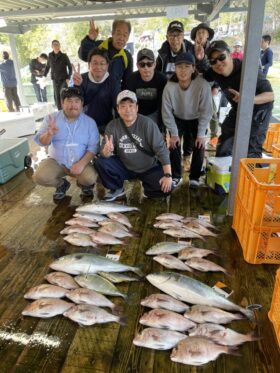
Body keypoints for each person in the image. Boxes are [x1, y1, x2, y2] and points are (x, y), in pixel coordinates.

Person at [195, 40, 274, 158]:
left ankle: (249, 173)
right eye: (213, 61)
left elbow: (270, 95)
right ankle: (223, 172)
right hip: (238, 107)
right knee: (224, 141)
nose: (218, 63)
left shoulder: (247, 70)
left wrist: (247, 99)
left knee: (251, 147)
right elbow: (202, 72)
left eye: (222, 57)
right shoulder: (214, 71)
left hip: (259, 109)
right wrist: (200, 59)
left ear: (230, 54)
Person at [94, 90, 173, 201]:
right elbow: (104, 152)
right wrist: (106, 152)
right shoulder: (112, 126)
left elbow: (162, 150)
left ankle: (148, 188)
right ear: (118, 109)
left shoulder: (147, 124)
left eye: (131, 106)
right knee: (100, 161)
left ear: (137, 108)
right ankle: (117, 189)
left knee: (165, 189)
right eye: (123, 106)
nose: (128, 110)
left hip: (148, 167)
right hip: (124, 166)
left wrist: (168, 176)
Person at [33, 87, 100, 201]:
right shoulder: (51, 118)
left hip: (80, 161)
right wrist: (49, 134)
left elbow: (93, 147)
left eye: (76, 101)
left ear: (82, 104)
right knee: (39, 177)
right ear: (62, 103)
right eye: (69, 101)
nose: (73, 105)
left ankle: (85, 185)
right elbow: (41, 142)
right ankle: (61, 185)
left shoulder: (90, 122)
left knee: (90, 178)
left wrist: (82, 164)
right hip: (57, 161)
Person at [162, 52, 212, 189]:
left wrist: (201, 134)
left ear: (193, 68)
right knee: (173, 145)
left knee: (200, 145)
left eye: (186, 66)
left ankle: (194, 177)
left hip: (197, 118)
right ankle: (176, 176)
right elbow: (166, 112)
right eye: (179, 67)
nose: (183, 70)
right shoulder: (169, 86)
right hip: (177, 117)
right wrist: (173, 133)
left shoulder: (203, 85)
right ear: (175, 68)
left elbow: (206, 111)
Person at [156, 20, 194, 171]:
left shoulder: (191, 51)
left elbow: (202, 69)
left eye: (178, 35)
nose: (175, 39)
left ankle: (187, 157)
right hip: (169, 99)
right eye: (172, 35)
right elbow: (157, 76)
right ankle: (172, 160)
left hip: (188, 98)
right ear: (167, 37)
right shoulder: (161, 54)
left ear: (183, 36)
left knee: (190, 131)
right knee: (171, 130)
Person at [73, 48, 120, 135]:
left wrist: (117, 129)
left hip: (107, 126)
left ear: (107, 66)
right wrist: (77, 86)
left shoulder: (113, 82)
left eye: (102, 63)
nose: (98, 67)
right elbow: (76, 104)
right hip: (85, 126)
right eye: (95, 63)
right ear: (89, 65)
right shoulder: (80, 79)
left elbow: (117, 107)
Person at [78, 19, 133, 86]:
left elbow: (127, 83)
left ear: (128, 38)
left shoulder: (127, 57)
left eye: (125, 35)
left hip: (114, 94)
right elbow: (83, 55)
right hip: (94, 92)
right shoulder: (99, 46)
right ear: (112, 33)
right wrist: (90, 39)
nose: (121, 38)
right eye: (118, 34)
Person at [191, 22, 219, 149]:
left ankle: (214, 137)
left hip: (209, 85)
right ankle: (197, 137)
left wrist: (216, 87)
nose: (201, 35)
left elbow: (218, 69)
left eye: (203, 32)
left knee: (212, 111)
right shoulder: (190, 49)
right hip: (194, 86)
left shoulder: (213, 50)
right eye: (198, 33)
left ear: (208, 35)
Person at [124, 48, 167, 130]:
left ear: (154, 64)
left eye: (149, 64)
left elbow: (163, 105)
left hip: (155, 113)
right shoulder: (131, 79)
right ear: (137, 66)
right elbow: (128, 102)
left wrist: (161, 126)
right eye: (142, 64)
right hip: (136, 114)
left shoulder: (162, 79)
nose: (146, 68)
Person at [44, 40, 72, 110]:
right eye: (54, 45)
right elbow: (47, 66)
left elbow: (70, 67)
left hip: (63, 79)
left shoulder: (64, 56)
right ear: (52, 46)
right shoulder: (50, 55)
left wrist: (68, 77)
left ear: (60, 46)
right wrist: (44, 76)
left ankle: (66, 109)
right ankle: (60, 111)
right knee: (57, 96)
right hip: (55, 79)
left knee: (63, 94)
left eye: (58, 44)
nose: (56, 46)